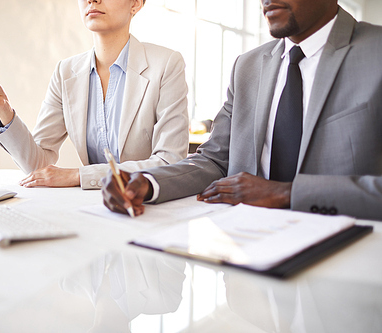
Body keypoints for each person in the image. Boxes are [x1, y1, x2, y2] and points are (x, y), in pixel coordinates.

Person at [102, 0, 382, 221]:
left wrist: (287, 193)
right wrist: (148, 183)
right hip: (246, 251)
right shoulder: (247, 66)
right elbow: (215, 161)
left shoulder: (375, 52)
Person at [0, 0, 189, 190]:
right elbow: (37, 164)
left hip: (146, 207)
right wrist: (3, 110)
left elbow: (170, 163)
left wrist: (79, 175)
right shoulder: (65, 72)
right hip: (91, 207)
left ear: (136, 4)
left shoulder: (167, 64)